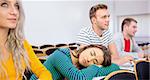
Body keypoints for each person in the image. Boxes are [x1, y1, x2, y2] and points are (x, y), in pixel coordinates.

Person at [0, 0, 52, 80]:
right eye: (4, 4)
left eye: (16, 6)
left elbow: (44, 72)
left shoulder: (21, 44)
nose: (14, 12)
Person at [30, 44, 120, 80]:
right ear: (87, 47)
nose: (89, 59)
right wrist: (95, 66)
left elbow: (115, 67)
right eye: (92, 53)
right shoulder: (60, 55)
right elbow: (78, 78)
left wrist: (96, 66)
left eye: (95, 61)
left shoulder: (81, 66)